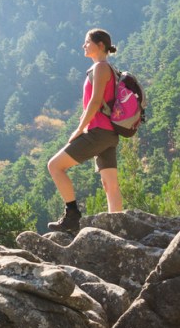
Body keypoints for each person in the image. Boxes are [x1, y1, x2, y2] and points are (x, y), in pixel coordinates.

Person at [46, 28, 123, 233]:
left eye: (87, 41)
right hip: (109, 134)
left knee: (54, 166)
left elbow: (96, 101)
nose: (83, 45)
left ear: (100, 45)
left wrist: (80, 129)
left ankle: (72, 214)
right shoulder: (110, 70)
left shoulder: (100, 68)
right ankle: (117, 227)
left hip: (98, 132)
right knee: (110, 185)